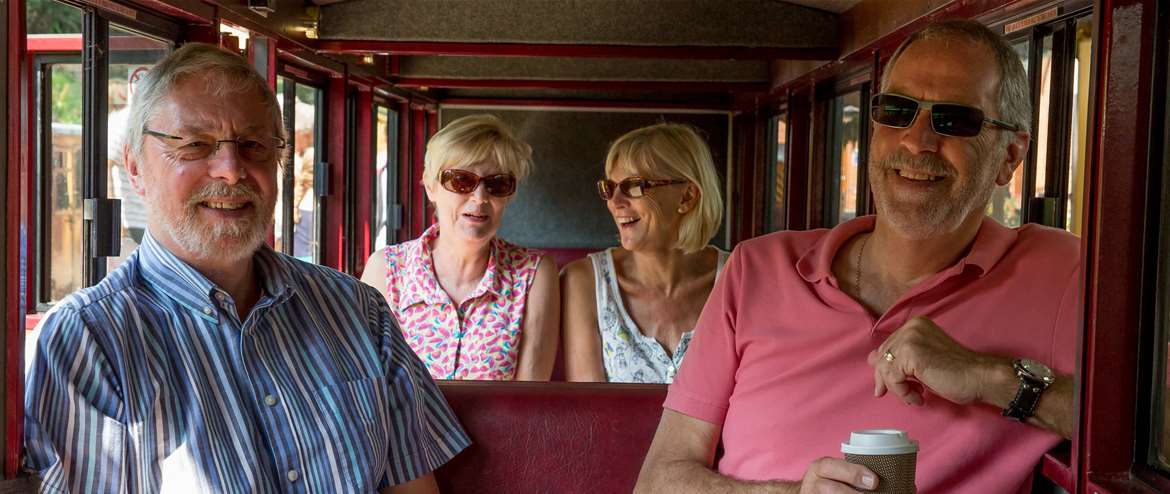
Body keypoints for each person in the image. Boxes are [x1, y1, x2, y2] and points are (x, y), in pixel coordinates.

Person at [635, 19, 1078, 494]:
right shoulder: (757, 268)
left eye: (954, 121)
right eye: (897, 110)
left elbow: (1143, 439)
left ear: (1010, 155)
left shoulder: (1064, 272)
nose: (917, 141)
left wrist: (989, 377)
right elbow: (659, 479)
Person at [24, 43, 469, 493]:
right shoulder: (86, 342)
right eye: (195, 144)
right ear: (134, 167)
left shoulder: (358, 311)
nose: (232, 171)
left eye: (254, 145)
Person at [361, 114, 559, 381]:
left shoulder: (532, 274)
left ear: (509, 194)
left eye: (497, 184)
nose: (479, 198)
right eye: (461, 181)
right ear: (431, 186)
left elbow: (530, 397)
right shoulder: (386, 270)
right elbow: (365, 382)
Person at [561, 123, 728, 383]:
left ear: (687, 196)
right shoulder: (584, 282)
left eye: (634, 186)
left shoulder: (738, 278)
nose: (615, 202)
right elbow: (588, 411)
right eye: (610, 188)